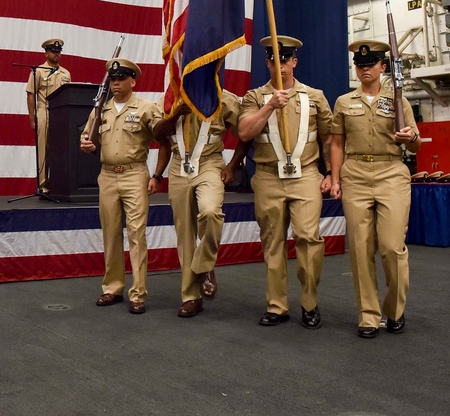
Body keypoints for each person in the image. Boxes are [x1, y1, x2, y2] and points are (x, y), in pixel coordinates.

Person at [238, 35, 333, 328]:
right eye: (273, 60)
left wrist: (331, 173)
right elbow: (244, 133)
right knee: (273, 243)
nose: (280, 65)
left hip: (305, 175)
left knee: (308, 238)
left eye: (285, 59)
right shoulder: (255, 97)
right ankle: (277, 305)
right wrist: (269, 107)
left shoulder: (314, 96)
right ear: (267, 62)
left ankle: (309, 302)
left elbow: (329, 137)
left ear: (294, 61)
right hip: (268, 176)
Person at [330, 40, 421, 338]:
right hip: (355, 173)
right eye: (360, 65)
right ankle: (368, 315)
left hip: (391, 172)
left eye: (370, 65)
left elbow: (417, 144)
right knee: (360, 248)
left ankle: (394, 309)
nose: (364, 69)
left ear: (384, 67)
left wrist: (409, 137)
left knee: (393, 247)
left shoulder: (399, 100)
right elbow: (337, 143)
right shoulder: (344, 102)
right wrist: (335, 177)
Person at [154, 91, 251, 318]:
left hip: (209, 162)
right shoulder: (170, 97)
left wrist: (232, 167)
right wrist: (175, 113)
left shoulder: (224, 98)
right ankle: (191, 297)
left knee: (210, 211)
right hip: (179, 166)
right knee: (184, 233)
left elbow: (246, 135)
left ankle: (205, 265)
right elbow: (158, 135)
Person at [79, 59, 162, 314]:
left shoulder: (147, 108)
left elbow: (164, 139)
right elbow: (87, 138)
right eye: (113, 79)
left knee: (136, 233)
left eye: (121, 78)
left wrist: (157, 175)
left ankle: (138, 293)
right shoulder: (100, 109)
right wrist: (86, 144)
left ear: (133, 81)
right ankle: (112, 288)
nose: (116, 83)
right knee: (111, 233)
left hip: (134, 173)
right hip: (107, 175)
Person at [26, 38, 72, 193]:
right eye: (53, 51)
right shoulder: (38, 71)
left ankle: (59, 182)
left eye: (59, 52)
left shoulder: (66, 73)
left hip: (61, 114)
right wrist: (32, 118)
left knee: (61, 148)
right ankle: (43, 185)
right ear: (46, 53)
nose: (57, 54)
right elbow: (31, 94)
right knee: (44, 149)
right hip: (44, 111)